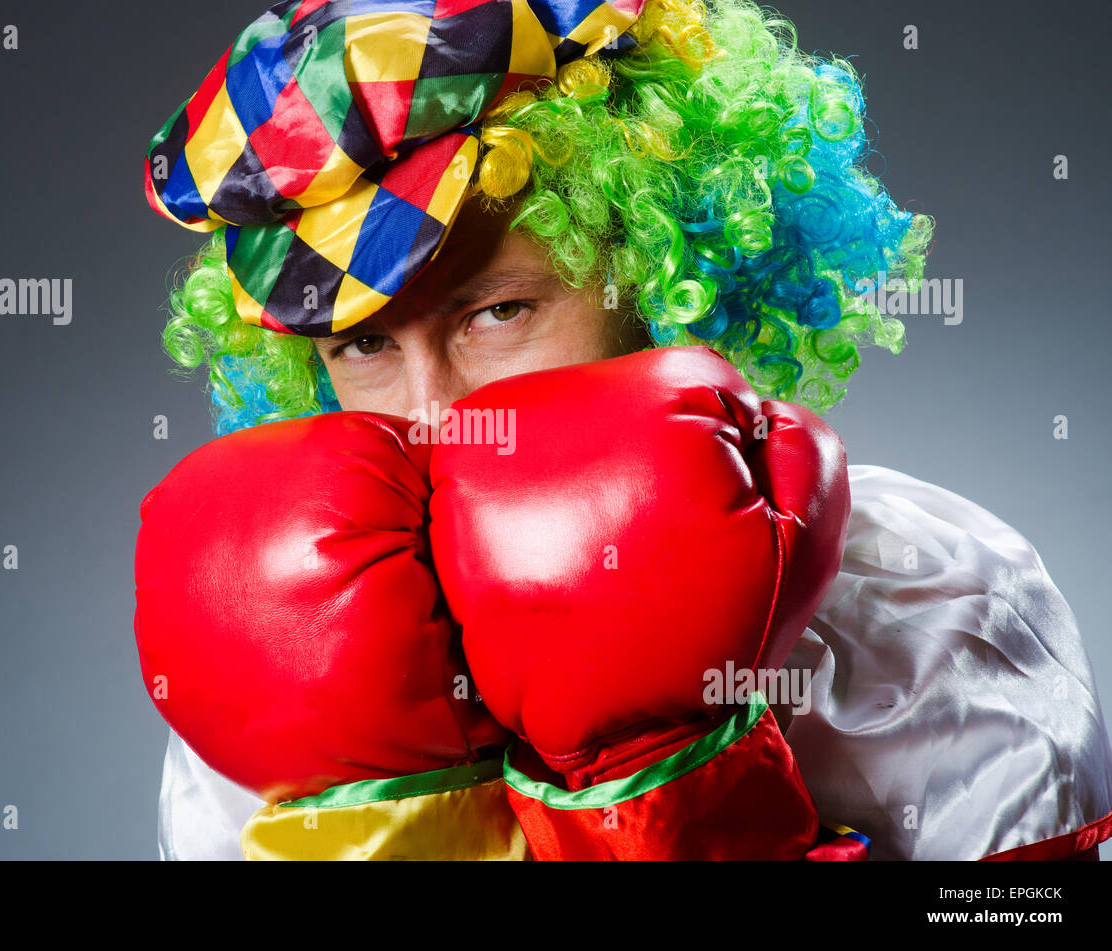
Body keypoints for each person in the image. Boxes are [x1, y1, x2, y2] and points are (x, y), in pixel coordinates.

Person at [135, 0, 1112, 860]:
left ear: (654, 277)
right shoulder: (269, 661)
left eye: (497, 313)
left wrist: (662, 782)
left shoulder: (932, 609)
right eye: (363, 348)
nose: (431, 418)